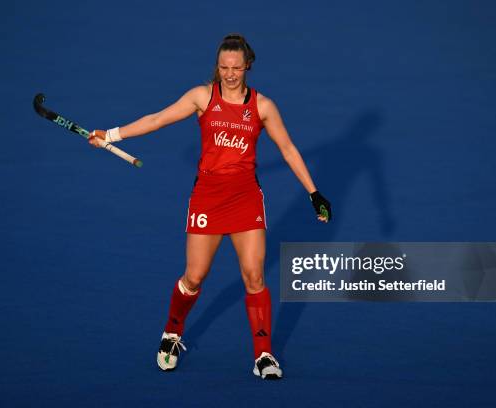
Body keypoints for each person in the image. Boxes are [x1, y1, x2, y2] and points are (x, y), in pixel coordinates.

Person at [88, 34, 331, 380]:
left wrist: (313, 193)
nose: (230, 74)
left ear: (247, 65)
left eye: (236, 67)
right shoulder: (202, 97)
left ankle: (263, 355)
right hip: (207, 198)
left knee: (254, 276)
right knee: (195, 276)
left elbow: (288, 149)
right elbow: (157, 119)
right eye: (223, 67)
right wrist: (110, 135)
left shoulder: (263, 107)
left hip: (246, 198)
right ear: (217, 66)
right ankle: (172, 333)